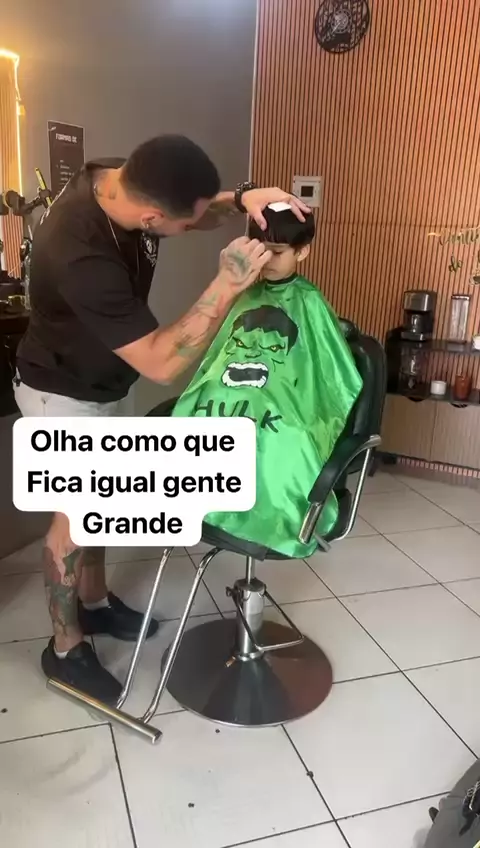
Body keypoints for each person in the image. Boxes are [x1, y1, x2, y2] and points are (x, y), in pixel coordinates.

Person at [14, 134, 311, 703]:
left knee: (103, 503)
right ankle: (65, 647)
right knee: (73, 517)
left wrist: (242, 197)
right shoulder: (78, 251)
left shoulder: (117, 177)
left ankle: (94, 603)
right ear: (151, 217)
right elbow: (160, 362)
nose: (194, 228)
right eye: (184, 225)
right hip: (63, 394)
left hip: (106, 379)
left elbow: (197, 209)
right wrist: (226, 285)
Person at [172, 204, 363, 557]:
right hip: (228, 399)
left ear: (302, 252)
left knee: (283, 441)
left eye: (277, 252)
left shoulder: (309, 302)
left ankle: (271, 522)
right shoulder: (244, 294)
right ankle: (205, 509)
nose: (266, 260)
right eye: (260, 250)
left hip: (284, 407)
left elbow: (335, 374)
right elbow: (218, 359)